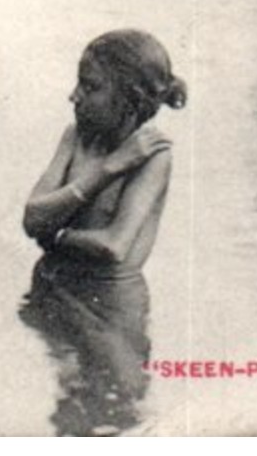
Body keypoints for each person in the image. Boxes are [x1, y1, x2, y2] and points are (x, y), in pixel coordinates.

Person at [18, 30, 186, 433]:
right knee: (61, 410)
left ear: (130, 99)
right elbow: (30, 216)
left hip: (110, 304)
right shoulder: (76, 137)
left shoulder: (153, 156)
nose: (73, 96)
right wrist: (108, 169)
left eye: (89, 86)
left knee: (115, 411)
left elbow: (114, 245)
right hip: (55, 285)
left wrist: (57, 237)